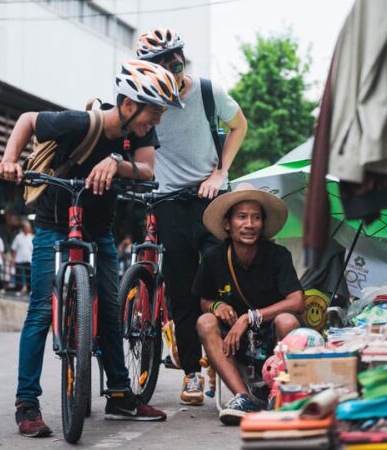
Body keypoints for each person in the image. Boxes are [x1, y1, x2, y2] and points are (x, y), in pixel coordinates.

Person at [0, 60, 182, 438]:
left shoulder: (138, 137)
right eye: (154, 112)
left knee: (112, 309)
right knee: (39, 312)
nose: (156, 122)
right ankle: (26, 403)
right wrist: (9, 159)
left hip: (99, 229)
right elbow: (29, 119)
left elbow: (147, 169)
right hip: (52, 224)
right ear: (129, 105)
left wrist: (116, 162)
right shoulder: (81, 123)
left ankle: (119, 394)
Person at [136, 27, 248, 406]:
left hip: (210, 196)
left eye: (176, 55)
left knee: (225, 280)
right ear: (150, 68)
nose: (173, 64)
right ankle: (192, 374)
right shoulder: (147, 101)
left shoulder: (206, 90)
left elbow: (240, 125)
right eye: (163, 60)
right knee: (182, 290)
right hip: (168, 201)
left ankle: (233, 360)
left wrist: (220, 172)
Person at [193, 183, 304, 425]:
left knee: (288, 320)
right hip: (234, 343)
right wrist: (215, 307)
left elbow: (296, 301)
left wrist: (249, 317)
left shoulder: (278, 256)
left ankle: (281, 391)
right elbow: (204, 299)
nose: (249, 224)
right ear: (227, 223)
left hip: (271, 337)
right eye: (242, 217)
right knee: (205, 322)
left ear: (262, 224)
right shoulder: (214, 257)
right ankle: (243, 397)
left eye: (255, 218)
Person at [10, 221, 33, 295]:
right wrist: (13, 259)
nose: (28, 228)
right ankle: (18, 290)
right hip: (19, 259)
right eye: (26, 227)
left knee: (29, 276)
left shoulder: (32, 237)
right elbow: (14, 249)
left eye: (29, 227)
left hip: (28, 259)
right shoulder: (18, 237)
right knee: (18, 276)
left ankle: (29, 290)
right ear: (23, 228)